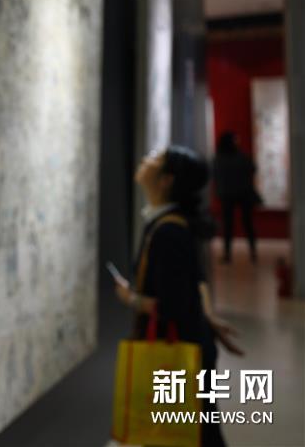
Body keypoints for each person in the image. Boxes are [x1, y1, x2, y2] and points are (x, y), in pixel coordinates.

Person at [114, 145, 243, 447]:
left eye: (155, 159)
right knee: (197, 432)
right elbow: (197, 281)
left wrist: (129, 298)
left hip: (180, 350)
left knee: (191, 434)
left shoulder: (167, 231)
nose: (145, 160)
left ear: (166, 180)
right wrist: (207, 317)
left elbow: (171, 306)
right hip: (192, 343)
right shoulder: (171, 224)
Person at [213, 131, 258, 262]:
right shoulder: (241, 157)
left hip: (228, 194)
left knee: (229, 224)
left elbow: (215, 176)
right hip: (243, 193)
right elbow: (253, 169)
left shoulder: (219, 159)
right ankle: (252, 253)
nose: (237, 142)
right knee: (246, 223)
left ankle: (228, 254)